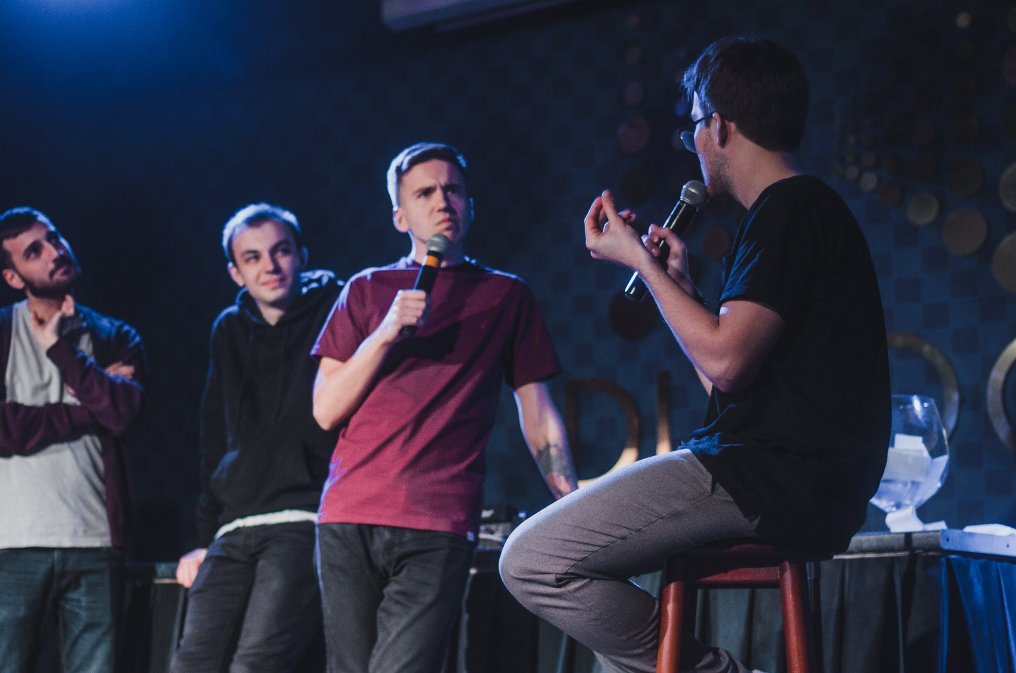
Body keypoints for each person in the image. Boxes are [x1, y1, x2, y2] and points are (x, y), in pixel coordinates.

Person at [499, 36, 891, 673]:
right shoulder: (792, 212)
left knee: (531, 560)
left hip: (770, 478)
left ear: (720, 125)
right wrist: (678, 286)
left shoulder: (789, 210)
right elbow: (731, 381)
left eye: (694, 128)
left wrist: (640, 265)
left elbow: (727, 363)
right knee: (609, 644)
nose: (695, 144)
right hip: (787, 476)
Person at [311, 141, 578, 673]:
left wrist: (571, 501)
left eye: (453, 190)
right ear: (399, 216)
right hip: (348, 516)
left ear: (470, 206)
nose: (442, 201)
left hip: (438, 519)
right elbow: (325, 409)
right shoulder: (365, 290)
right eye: (424, 193)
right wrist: (386, 331)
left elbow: (537, 410)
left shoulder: (506, 295)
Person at [170, 204, 342, 673]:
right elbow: (214, 435)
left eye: (280, 251)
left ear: (301, 254)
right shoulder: (229, 329)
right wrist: (204, 538)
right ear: (236, 272)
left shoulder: (336, 310)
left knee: (256, 663)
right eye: (252, 257)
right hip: (234, 526)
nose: (269, 266)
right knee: (192, 662)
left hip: (302, 518)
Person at [0, 207, 145, 673]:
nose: (55, 252)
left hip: (95, 541)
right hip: (11, 545)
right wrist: (86, 410)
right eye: (34, 251)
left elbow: (121, 414)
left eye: (55, 238)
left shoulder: (113, 335)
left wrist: (59, 351)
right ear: (13, 277)